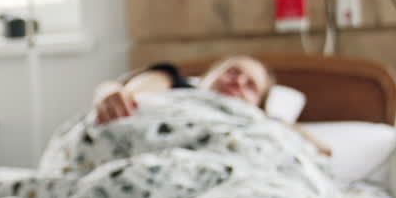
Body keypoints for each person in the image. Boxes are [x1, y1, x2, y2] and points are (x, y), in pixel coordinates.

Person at [93, 56, 274, 125]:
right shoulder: (172, 81)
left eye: (251, 86)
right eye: (232, 72)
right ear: (208, 75)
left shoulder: (263, 124)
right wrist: (110, 92)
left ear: (258, 105)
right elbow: (132, 93)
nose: (239, 82)